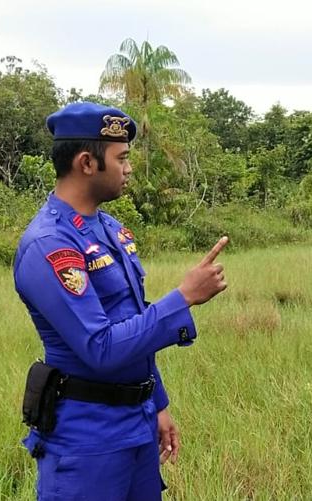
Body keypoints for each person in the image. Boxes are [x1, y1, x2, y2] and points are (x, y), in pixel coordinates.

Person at [13, 102, 228, 501]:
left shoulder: (109, 228)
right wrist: (184, 298)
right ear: (86, 163)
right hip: (88, 441)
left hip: (137, 425)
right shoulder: (50, 244)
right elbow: (101, 347)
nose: (129, 168)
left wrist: (157, 402)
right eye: (122, 158)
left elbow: (134, 321)